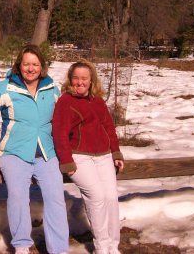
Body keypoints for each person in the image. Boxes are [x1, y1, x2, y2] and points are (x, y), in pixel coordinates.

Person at [0, 45, 69, 254]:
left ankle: (59, 249)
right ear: (19, 65)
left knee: (56, 199)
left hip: (47, 153)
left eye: (35, 64)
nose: (31, 68)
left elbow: (64, 117)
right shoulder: (7, 87)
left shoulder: (51, 88)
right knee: (18, 197)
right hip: (14, 153)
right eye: (26, 64)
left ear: (42, 66)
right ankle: (22, 245)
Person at [52, 59, 125, 254]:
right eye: (75, 78)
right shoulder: (65, 102)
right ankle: (101, 246)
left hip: (103, 156)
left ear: (91, 80)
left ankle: (113, 246)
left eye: (84, 78)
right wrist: (67, 161)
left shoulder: (98, 101)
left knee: (110, 197)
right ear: (70, 80)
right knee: (97, 197)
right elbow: (59, 133)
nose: (80, 82)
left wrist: (116, 152)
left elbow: (109, 128)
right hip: (80, 157)